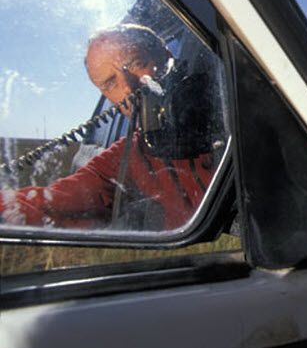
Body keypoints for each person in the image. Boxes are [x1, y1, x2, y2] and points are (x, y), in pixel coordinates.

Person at [0, 24, 218, 230]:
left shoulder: (227, 100)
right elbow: (55, 200)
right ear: (106, 96)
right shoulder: (130, 155)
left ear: (167, 56)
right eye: (110, 83)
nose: (128, 88)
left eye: (136, 63)